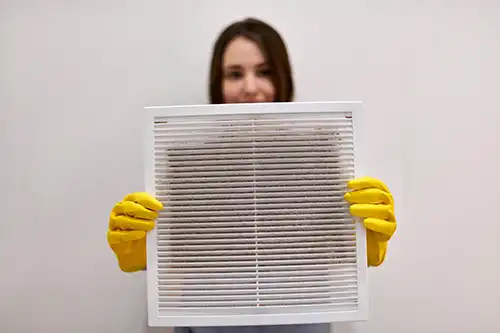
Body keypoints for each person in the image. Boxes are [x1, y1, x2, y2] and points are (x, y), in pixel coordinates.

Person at [107, 17, 397, 333]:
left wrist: (360, 240)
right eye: (234, 74)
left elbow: (333, 252)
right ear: (217, 84)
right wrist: (145, 247)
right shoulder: (191, 165)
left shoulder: (318, 162)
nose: (250, 88)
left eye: (264, 72)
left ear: (283, 78)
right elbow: (178, 259)